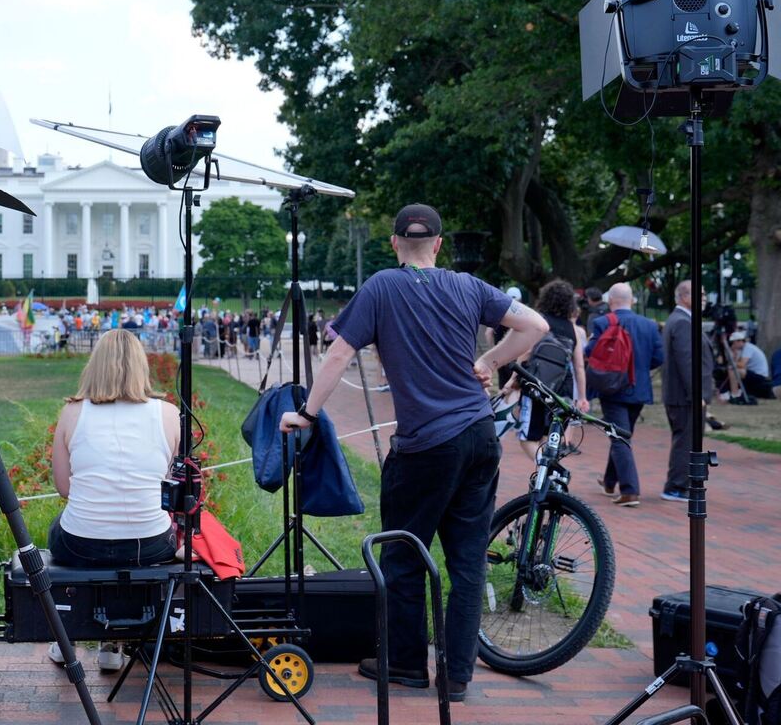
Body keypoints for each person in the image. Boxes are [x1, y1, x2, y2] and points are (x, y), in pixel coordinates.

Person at [280, 204, 548, 702]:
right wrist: (488, 359)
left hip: (425, 446)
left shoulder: (382, 285)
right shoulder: (468, 286)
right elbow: (535, 325)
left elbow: (340, 353)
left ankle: (404, 664)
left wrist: (308, 415)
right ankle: (457, 676)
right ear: (440, 244)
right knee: (468, 564)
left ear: (394, 242)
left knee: (404, 556)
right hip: (479, 436)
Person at [47, 329, 181, 671]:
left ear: (95, 366)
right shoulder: (167, 413)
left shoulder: (73, 412)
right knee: (127, 545)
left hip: (81, 543)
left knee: (63, 531)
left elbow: (64, 488)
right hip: (149, 542)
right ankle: (112, 644)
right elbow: (165, 482)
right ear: (141, 367)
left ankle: (68, 639)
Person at [586, 282, 663, 507]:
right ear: (632, 300)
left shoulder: (602, 322)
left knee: (620, 437)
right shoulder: (649, 325)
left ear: (611, 301)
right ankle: (610, 481)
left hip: (612, 388)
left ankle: (630, 490)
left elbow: (591, 352)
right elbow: (659, 357)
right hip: (639, 389)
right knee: (622, 434)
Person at [511, 280, 590, 462]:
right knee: (551, 439)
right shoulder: (573, 330)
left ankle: (548, 473)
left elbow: (525, 353)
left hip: (536, 387)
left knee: (527, 438)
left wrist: (512, 381)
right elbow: (578, 366)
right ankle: (549, 478)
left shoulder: (540, 322)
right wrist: (582, 397)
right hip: (563, 392)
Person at [661, 281, 714, 502]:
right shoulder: (682, 322)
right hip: (684, 396)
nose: (704, 297)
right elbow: (687, 362)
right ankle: (677, 486)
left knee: (685, 439)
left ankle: (679, 484)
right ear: (684, 297)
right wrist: (697, 395)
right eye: (699, 294)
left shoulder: (680, 320)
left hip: (680, 394)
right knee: (687, 440)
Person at [728, 331, 776, 399]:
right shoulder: (743, 349)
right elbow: (738, 364)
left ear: (739, 341)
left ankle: (734, 394)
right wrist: (734, 355)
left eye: (733, 343)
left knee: (733, 371)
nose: (732, 345)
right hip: (753, 373)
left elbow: (741, 365)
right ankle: (735, 392)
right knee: (733, 369)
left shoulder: (748, 348)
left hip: (759, 375)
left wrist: (732, 362)